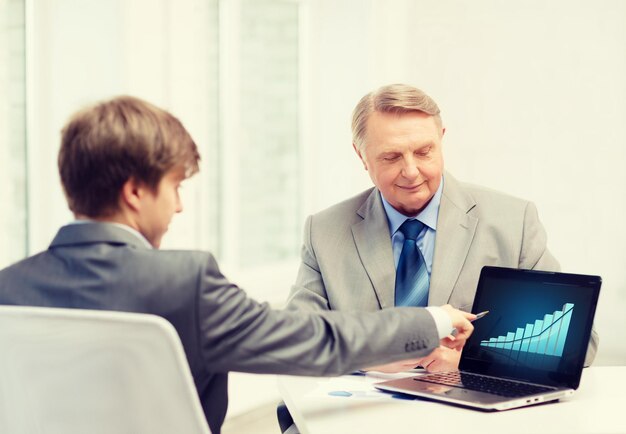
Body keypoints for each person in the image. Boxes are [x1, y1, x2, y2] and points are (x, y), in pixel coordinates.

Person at [0, 96, 475, 434]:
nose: (179, 207)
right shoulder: (184, 284)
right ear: (135, 192)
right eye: (175, 187)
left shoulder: (9, 288)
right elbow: (315, 341)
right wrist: (434, 321)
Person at [286, 83, 598, 372]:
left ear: (442, 140)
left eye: (424, 152)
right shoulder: (324, 232)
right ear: (361, 155)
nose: (411, 171)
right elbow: (294, 343)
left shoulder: (514, 222)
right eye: (392, 156)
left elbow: (580, 346)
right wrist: (374, 356)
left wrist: (472, 360)